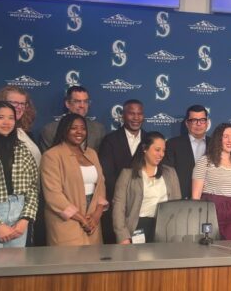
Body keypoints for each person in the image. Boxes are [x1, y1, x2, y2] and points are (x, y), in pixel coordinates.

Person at [40, 113, 108, 246]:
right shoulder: (52, 156)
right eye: (74, 128)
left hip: (93, 221)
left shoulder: (92, 153)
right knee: (69, 263)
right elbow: (53, 195)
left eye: (83, 128)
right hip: (67, 221)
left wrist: (96, 216)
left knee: (93, 263)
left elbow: (101, 187)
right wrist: (82, 219)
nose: (79, 132)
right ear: (64, 130)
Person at [112, 132, 180, 244]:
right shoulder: (127, 174)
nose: (161, 154)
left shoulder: (170, 173)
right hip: (137, 227)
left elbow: (177, 205)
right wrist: (123, 236)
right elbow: (118, 207)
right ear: (144, 148)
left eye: (163, 151)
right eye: (157, 150)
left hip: (165, 228)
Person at [0, 101, 39, 248]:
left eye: (11, 118)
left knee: (15, 267)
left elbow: (32, 187)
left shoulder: (21, 148)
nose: (7, 122)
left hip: (19, 213)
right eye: (0, 117)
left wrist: (25, 219)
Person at [98, 100, 146, 244]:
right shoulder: (110, 140)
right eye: (131, 113)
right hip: (118, 205)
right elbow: (107, 175)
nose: (136, 118)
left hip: (143, 206)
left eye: (139, 114)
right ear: (122, 116)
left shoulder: (150, 140)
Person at [192, 123, 231, 240]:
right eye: (225, 136)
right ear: (218, 139)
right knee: (212, 250)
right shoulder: (205, 161)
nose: (230, 140)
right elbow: (195, 197)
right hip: (212, 211)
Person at [39, 86, 106, 152]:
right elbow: (49, 159)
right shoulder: (50, 130)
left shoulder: (99, 130)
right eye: (77, 101)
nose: (82, 106)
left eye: (85, 101)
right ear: (67, 103)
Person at [164, 105, 210, 199]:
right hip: (182, 200)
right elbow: (168, 175)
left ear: (207, 123)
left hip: (210, 199)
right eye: (194, 120)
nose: (198, 124)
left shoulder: (215, 144)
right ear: (187, 123)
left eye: (202, 120)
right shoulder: (173, 144)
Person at [0, 85, 40, 164]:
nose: (19, 107)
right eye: (14, 103)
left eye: (22, 104)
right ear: (1, 103)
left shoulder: (27, 133)